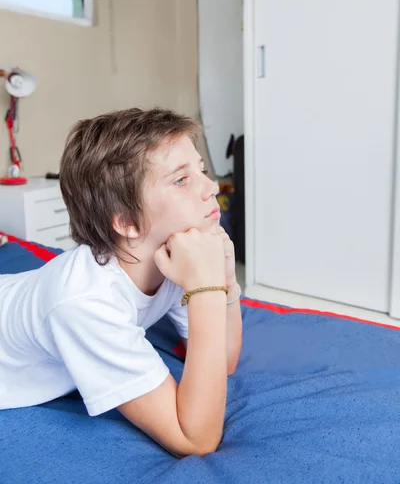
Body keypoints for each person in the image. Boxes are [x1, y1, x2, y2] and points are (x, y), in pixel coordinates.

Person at [0, 107, 243, 457]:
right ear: (128, 223)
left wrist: (224, 280)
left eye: (201, 170)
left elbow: (224, 362)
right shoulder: (86, 302)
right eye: (181, 179)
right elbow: (196, 439)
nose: (211, 188)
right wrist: (205, 291)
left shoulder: (173, 253)